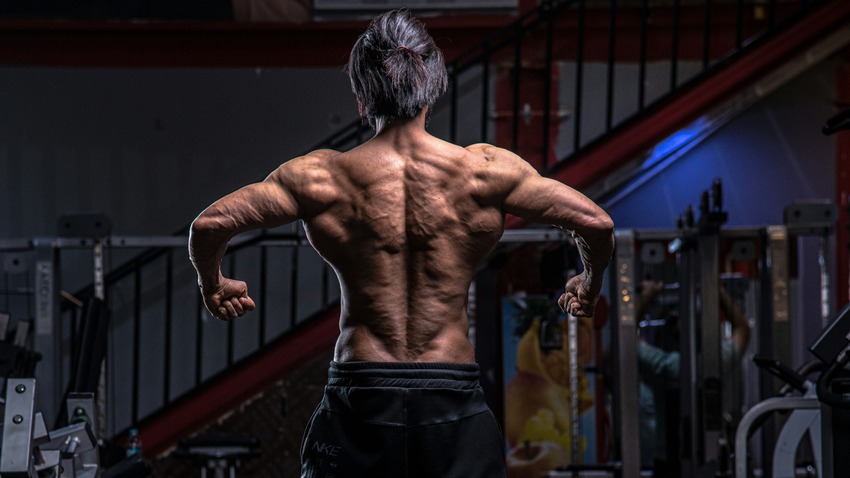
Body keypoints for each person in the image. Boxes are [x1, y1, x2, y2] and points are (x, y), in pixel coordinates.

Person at [188, 9, 614, 478]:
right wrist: (589, 285)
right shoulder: (486, 172)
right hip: (451, 397)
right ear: (433, 84)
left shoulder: (320, 178)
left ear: (360, 96)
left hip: (362, 393)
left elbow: (210, 226)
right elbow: (595, 224)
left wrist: (214, 284)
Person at [636, 280, 751, 477]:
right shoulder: (712, 363)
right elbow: (743, 330)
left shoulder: (662, 364)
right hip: (708, 454)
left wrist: (647, 296)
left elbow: (628, 333)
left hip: (668, 459)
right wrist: (719, 292)